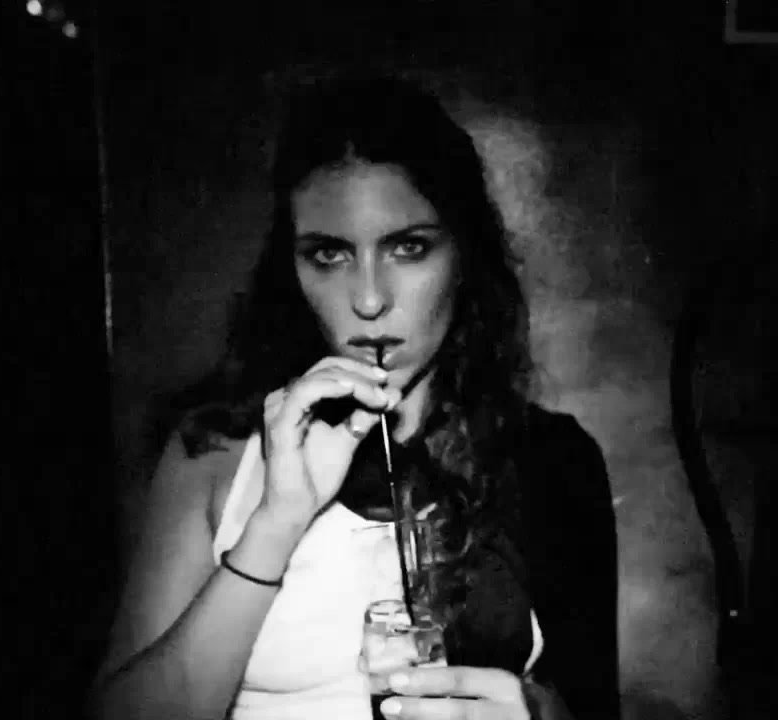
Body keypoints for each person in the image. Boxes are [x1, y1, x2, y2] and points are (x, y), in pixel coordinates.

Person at [89, 69, 619, 720]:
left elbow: (596, 707)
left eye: (408, 248)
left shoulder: (549, 460)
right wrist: (275, 525)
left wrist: (537, 714)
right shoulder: (217, 451)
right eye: (329, 255)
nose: (368, 299)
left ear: (465, 257)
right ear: (291, 267)